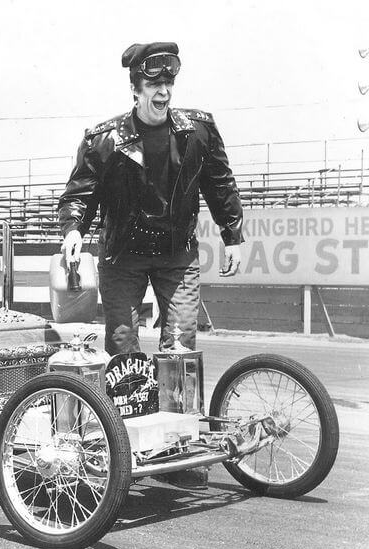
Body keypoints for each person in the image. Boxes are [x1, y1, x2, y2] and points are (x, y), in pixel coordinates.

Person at [59, 41, 244, 355]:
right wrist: (73, 228)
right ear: (135, 89)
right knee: (122, 347)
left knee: (180, 347)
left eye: (168, 83)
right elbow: (79, 193)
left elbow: (221, 186)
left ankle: (179, 406)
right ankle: (124, 405)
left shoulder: (199, 132)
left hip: (177, 256)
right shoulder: (103, 140)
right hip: (122, 257)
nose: (164, 91)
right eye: (154, 84)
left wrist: (233, 236)